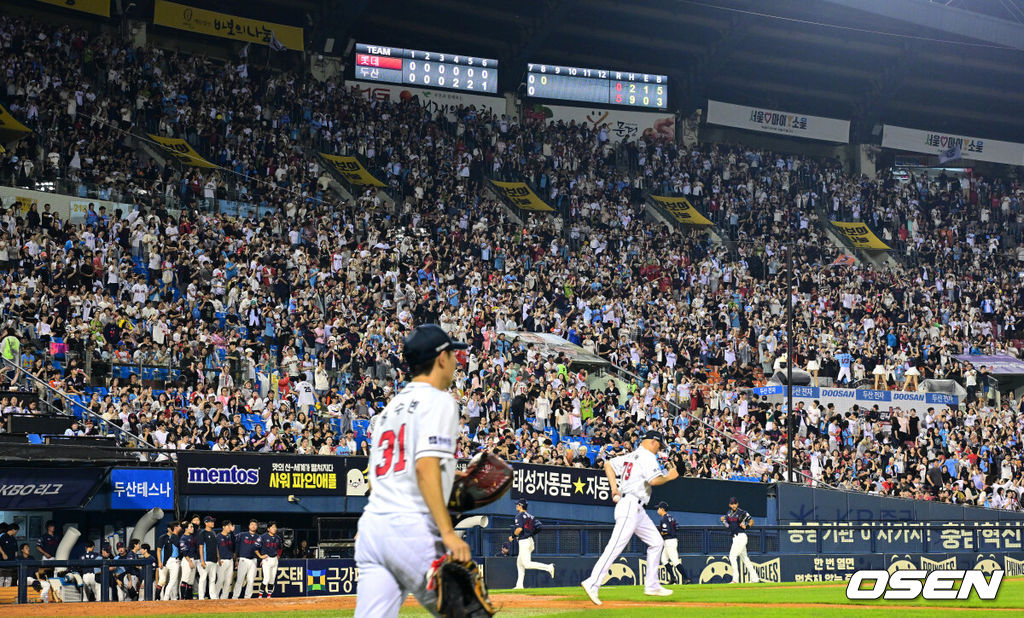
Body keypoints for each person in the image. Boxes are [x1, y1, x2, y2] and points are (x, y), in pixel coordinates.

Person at [354, 324, 470, 617]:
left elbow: (387, 476)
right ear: (441, 358)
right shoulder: (440, 400)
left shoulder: (391, 408)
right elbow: (424, 468)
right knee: (469, 611)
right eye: (453, 353)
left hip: (372, 529)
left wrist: (451, 478)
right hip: (410, 530)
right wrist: (449, 534)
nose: (457, 361)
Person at [581, 430, 679, 605]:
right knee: (615, 546)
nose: (659, 449)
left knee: (657, 542)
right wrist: (669, 477)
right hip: (630, 506)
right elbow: (655, 481)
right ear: (653, 442)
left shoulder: (632, 455)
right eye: (659, 445)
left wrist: (614, 488)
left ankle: (652, 585)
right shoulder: (647, 456)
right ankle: (592, 582)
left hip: (637, 508)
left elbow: (608, 464)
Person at [508, 499, 554, 589]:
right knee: (519, 563)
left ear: (521, 506)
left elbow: (519, 529)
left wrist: (512, 536)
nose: (516, 506)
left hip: (524, 542)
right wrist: (530, 533)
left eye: (517, 504)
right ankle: (519, 585)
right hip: (530, 541)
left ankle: (549, 567)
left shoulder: (519, 516)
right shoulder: (531, 516)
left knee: (526, 564)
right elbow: (539, 526)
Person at [722, 497, 759, 584]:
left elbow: (751, 521)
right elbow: (727, 526)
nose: (734, 505)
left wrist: (747, 526)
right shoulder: (728, 514)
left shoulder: (742, 512)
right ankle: (755, 578)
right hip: (735, 538)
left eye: (735, 503)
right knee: (745, 558)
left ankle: (735, 579)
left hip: (741, 537)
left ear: (737, 504)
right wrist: (723, 521)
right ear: (729, 505)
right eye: (732, 503)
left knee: (732, 556)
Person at [232, 519, 260, 599]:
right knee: (240, 580)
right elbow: (236, 547)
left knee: (251, 580)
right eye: (252, 524)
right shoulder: (242, 535)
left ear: (257, 527)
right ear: (249, 526)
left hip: (253, 560)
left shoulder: (258, 537)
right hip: (243, 559)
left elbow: (260, 549)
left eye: (255, 525)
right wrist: (236, 559)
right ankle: (235, 597)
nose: (253, 526)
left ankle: (247, 597)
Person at [256, 521, 282, 598]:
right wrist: (260, 557)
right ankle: (260, 596)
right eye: (273, 527)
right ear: (268, 529)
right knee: (266, 579)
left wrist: (278, 555)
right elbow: (255, 548)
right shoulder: (263, 537)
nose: (275, 529)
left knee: (272, 579)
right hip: (267, 559)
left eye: (275, 527)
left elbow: (280, 548)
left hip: (274, 560)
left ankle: (269, 596)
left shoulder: (278, 538)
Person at [157, 522, 181, 600]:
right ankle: (158, 598)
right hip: (164, 562)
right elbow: (158, 550)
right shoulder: (163, 537)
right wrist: (160, 561)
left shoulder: (175, 537)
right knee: (162, 581)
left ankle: (171, 598)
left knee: (172, 581)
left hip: (171, 561)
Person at [196, 515, 219, 599]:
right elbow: (201, 547)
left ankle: (213, 596)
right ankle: (201, 597)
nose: (212, 523)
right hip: (205, 560)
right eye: (210, 521)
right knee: (203, 578)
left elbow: (216, 547)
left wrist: (218, 558)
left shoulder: (213, 533)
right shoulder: (202, 533)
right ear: (206, 523)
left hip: (213, 560)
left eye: (213, 521)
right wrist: (202, 560)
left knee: (212, 579)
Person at [655, 501, 681, 568]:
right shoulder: (670, 517)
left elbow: (667, 531)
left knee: (675, 561)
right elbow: (677, 527)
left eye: (658, 508)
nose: (657, 510)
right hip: (671, 540)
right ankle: (673, 578)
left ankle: (686, 577)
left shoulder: (664, 519)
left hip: (670, 541)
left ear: (662, 509)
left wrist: (660, 533)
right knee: (664, 560)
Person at [215, 520, 236, 600]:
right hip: (222, 560)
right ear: (223, 527)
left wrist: (232, 532)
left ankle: (224, 597)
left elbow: (234, 546)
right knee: (220, 580)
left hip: (230, 560)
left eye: (230, 526)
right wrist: (218, 558)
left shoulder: (231, 536)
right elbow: (216, 548)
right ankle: (215, 596)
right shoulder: (218, 536)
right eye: (228, 526)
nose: (229, 527)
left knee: (228, 581)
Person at [178, 521, 198, 600]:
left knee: (191, 581)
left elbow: (196, 527)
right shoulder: (183, 538)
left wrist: (189, 522)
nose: (192, 528)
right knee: (185, 579)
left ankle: (189, 599)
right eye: (190, 527)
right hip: (187, 560)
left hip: (192, 559)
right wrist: (190, 562)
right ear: (186, 529)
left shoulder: (191, 536)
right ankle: (182, 598)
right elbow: (184, 552)